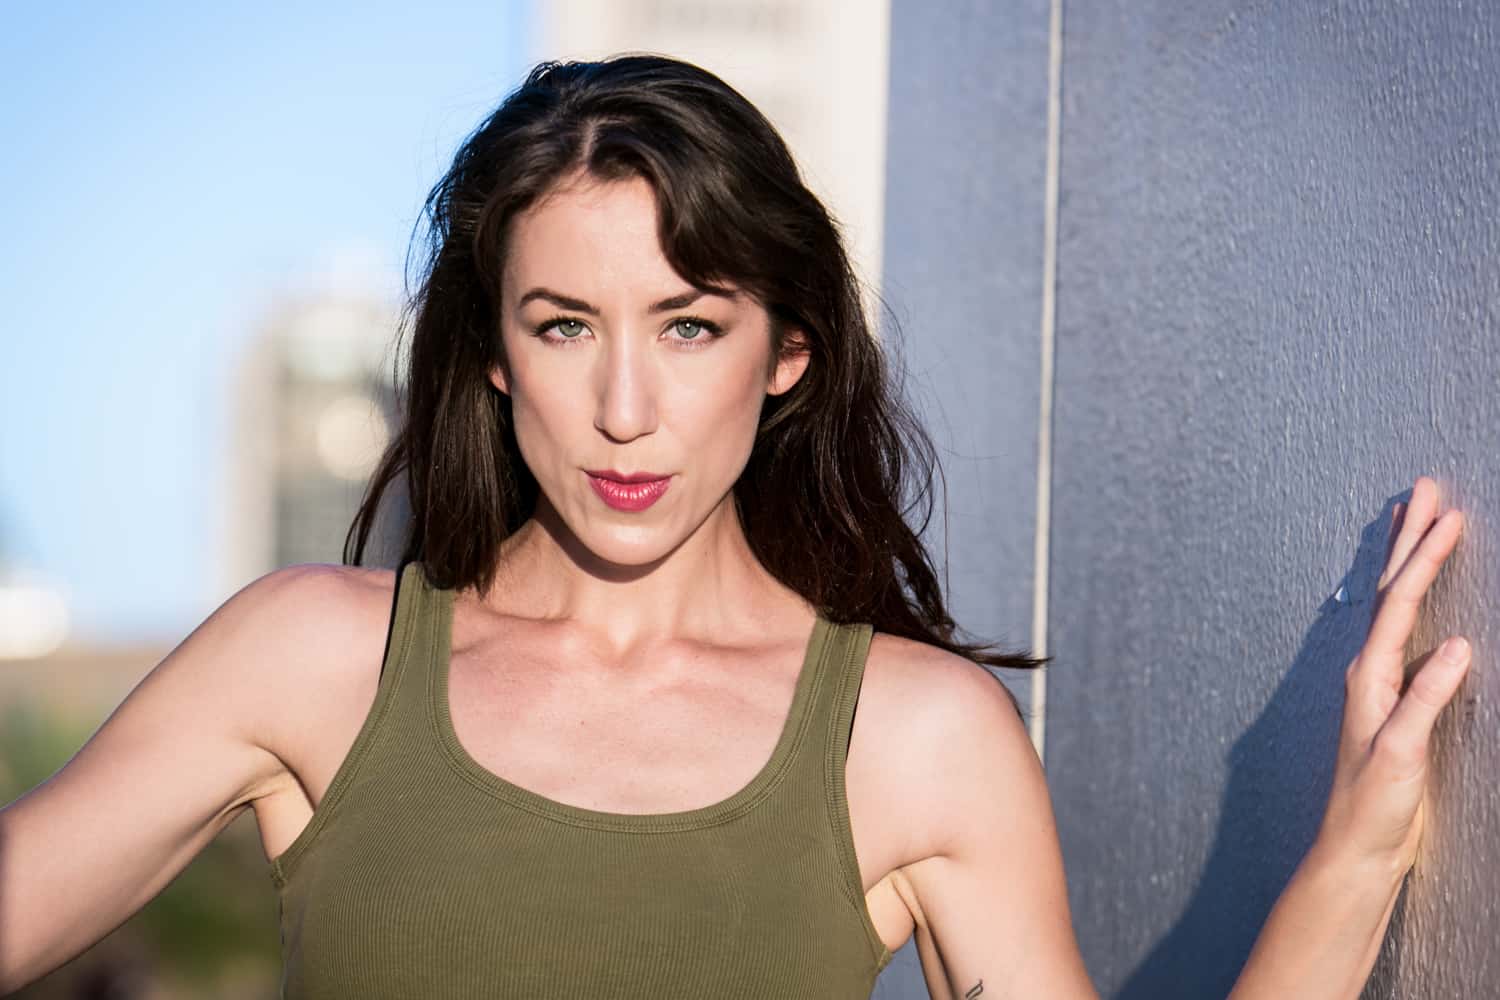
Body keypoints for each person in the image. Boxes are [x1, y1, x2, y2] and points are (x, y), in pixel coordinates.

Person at [0, 54, 1471, 1000]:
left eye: (690, 326)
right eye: (566, 325)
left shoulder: (916, 737)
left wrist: (1352, 854)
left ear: (787, 353)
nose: (625, 407)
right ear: (496, 352)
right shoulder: (313, 660)